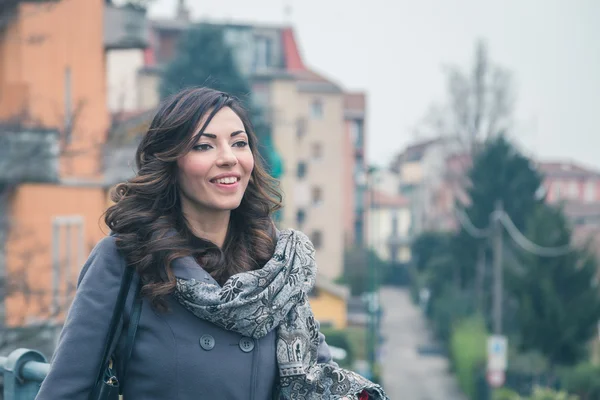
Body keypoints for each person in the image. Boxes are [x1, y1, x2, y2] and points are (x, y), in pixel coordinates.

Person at [36, 87, 388, 399]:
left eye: (239, 143)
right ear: (171, 162)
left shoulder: (277, 265)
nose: (228, 158)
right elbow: (67, 388)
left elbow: (317, 373)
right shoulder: (126, 258)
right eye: (204, 145)